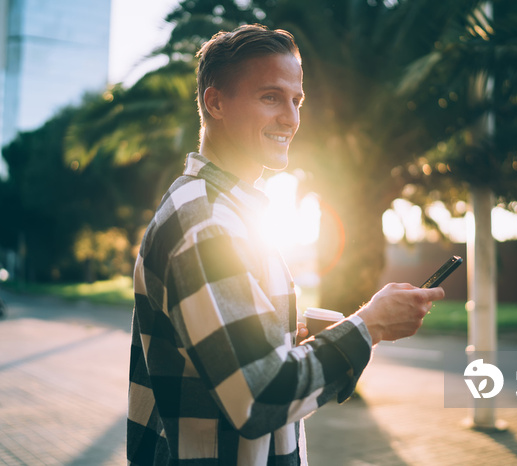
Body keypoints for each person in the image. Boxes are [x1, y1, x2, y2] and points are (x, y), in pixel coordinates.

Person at [127, 24, 445, 465]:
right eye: (270, 97)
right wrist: (369, 325)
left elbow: (227, 364)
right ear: (214, 102)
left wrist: (287, 331)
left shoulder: (226, 210)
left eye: (296, 101)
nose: (292, 119)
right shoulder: (206, 224)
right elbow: (258, 398)